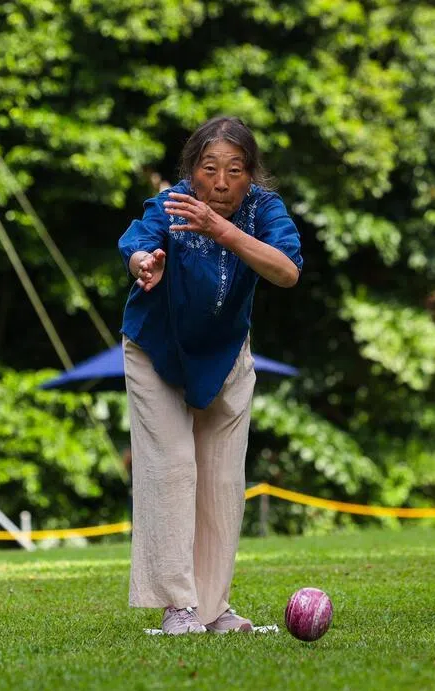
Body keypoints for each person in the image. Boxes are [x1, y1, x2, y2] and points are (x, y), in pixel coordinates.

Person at [119, 116, 302, 634]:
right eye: (209, 169)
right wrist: (143, 263)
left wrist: (221, 229)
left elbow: (287, 271)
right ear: (191, 170)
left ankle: (212, 607)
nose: (221, 183)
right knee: (174, 468)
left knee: (223, 481)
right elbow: (137, 242)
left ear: (251, 175)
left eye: (235, 171)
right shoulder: (173, 203)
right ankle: (178, 605)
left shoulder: (264, 210)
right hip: (157, 350)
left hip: (226, 356)